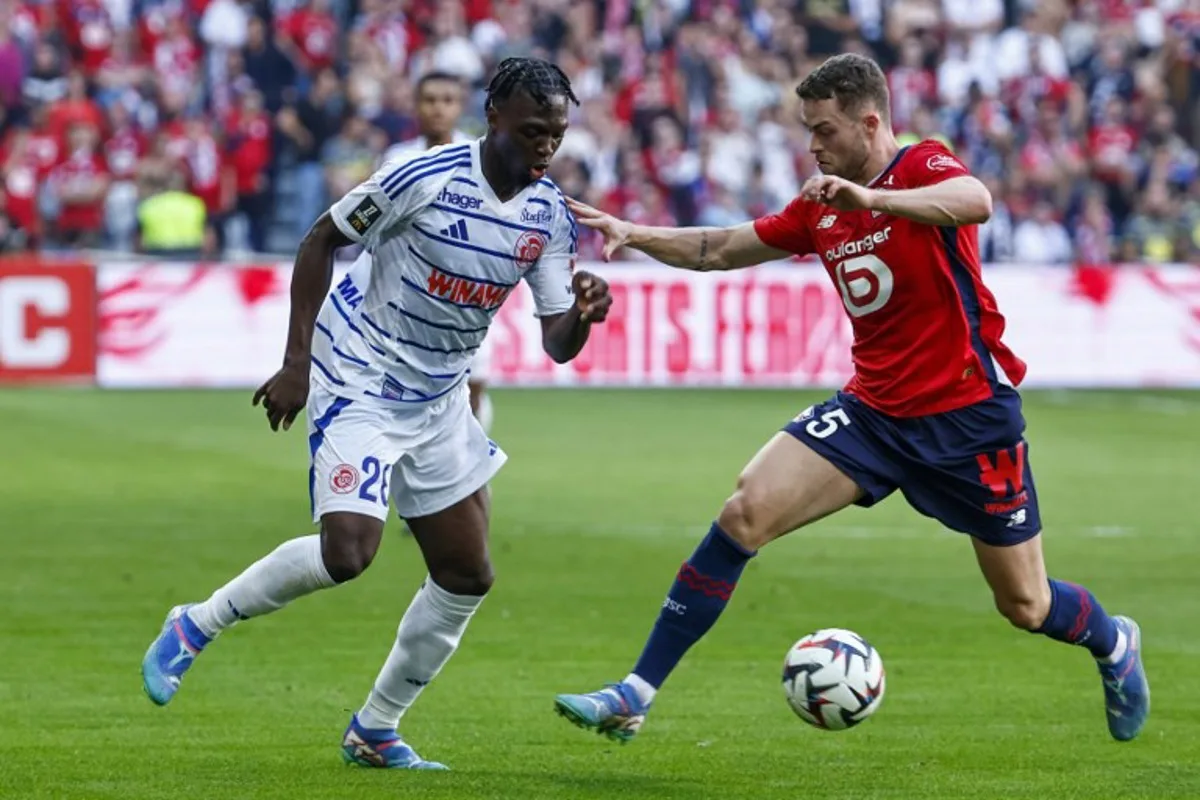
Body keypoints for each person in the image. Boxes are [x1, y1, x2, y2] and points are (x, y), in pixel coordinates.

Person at [553, 53, 1149, 744]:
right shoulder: (821, 204)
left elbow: (976, 201)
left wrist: (873, 202)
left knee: (1025, 602)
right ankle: (635, 693)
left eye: (825, 130)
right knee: (744, 512)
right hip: (872, 414)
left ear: (870, 123)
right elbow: (721, 247)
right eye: (809, 130)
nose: (814, 145)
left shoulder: (921, 165)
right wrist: (636, 233)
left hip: (968, 417)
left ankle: (1112, 642)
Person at [141, 57, 612, 770]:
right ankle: (196, 624)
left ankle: (376, 730)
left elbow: (556, 342)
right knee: (349, 553)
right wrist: (296, 362)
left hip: (440, 395)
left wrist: (582, 315)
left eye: (557, 133)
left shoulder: (547, 216)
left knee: (466, 574)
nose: (546, 145)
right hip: (359, 371)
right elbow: (320, 240)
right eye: (532, 130)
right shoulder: (425, 178)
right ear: (493, 119)